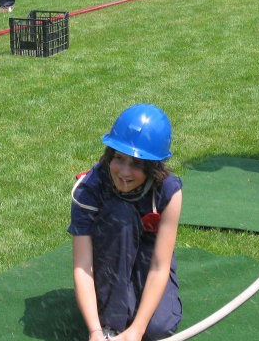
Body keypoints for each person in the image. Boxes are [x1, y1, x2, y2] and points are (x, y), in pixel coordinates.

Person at [69, 104, 183, 340]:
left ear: (153, 168)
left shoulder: (170, 192)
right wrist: (95, 331)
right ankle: (110, 321)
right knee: (121, 213)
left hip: (147, 259)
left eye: (137, 164)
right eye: (119, 158)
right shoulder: (88, 190)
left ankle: (129, 315)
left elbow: (160, 266)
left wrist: (138, 330)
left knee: (157, 329)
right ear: (109, 155)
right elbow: (83, 267)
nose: (124, 171)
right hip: (110, 254)